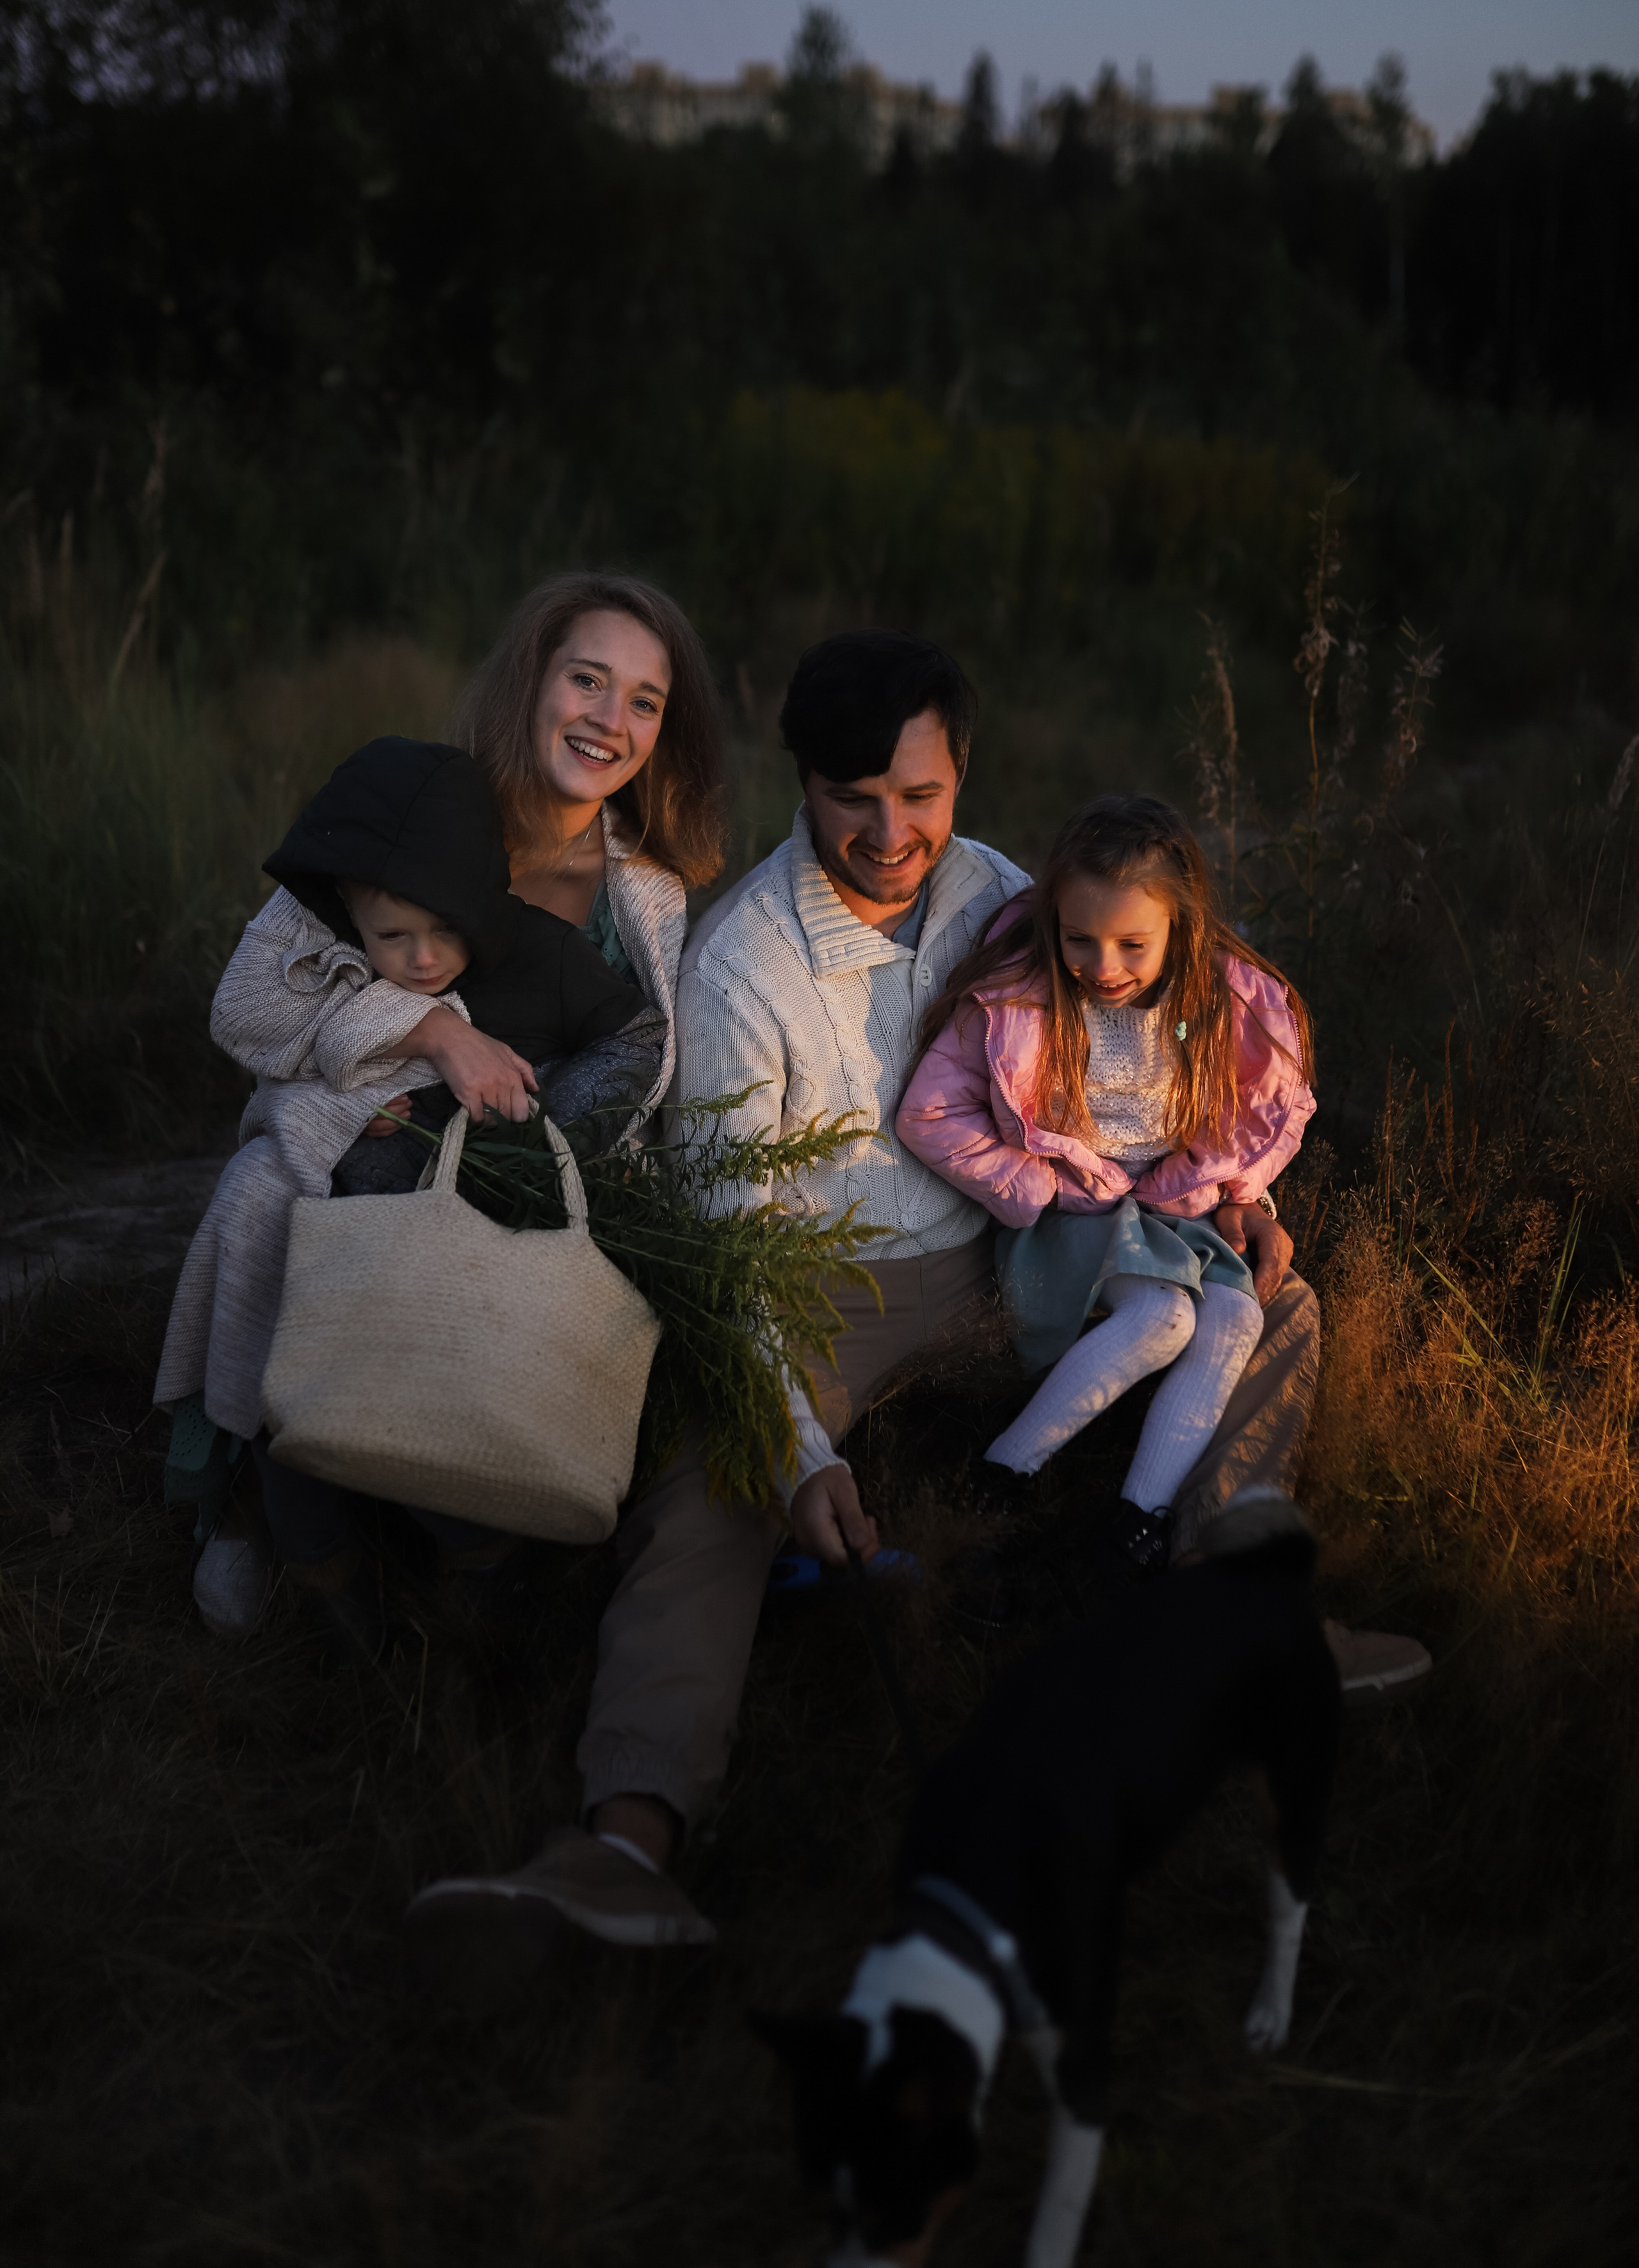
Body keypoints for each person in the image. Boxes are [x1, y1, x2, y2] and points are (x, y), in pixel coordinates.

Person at [401, 632, 1430, 2004]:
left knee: (1264, 1299)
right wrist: (798, 1454)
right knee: (714, 1474)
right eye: (854, 797)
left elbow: (1134, 1060)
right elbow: (726, 1248)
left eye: (921, 795)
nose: (891, 833)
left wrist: (1229, 1198)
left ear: (961, 777)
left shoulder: (1006, 895)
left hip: (1022, 1241)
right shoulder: (742, 966)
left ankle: (1249, 1607)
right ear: (803, 782)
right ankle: (625, 1845)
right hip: (821, 1281)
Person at [157, 573, 727, 1641]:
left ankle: (490, 1510)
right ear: (532, 680)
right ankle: (250, 1487)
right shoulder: (416, 807)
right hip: (369, 1119)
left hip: (535, 1149)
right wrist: (430, 1033)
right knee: (264, 1191)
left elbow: (641, 1055)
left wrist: (527, 1150)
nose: (610, 719)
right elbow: (248, 1007)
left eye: (645, 701)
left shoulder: (647, 889)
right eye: (587, 680)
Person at [897, 793, 1316, 1574]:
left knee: (1232, 1318)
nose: (1103, 966)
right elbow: (930, 1113)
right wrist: (1036, 1185)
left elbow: (1263, 1105)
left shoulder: (1215, 1004)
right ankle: (1004, 1470)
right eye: (1079, 940)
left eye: (1132, 944)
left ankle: (1138, 1518)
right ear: (1052, 923)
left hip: (1172, 1211)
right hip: (1073, 1211)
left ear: (1179, 928)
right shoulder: (1021, 997)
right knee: (1163, 1316)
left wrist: (1242, 1194)